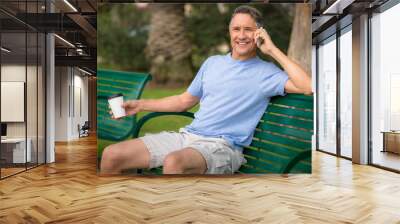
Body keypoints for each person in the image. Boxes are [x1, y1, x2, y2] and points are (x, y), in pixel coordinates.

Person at [100, 5, 312, 175]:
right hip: (188, 137)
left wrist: (272, 50)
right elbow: (184, 101)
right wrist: (140, 105)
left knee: (174, 162)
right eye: (236, 29)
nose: (241, 35)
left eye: (248, 29)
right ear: (229, 32)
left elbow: (308, 86)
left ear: (259, 34)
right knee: (112, 154)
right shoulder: (212, 63)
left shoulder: (267, 73)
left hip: (222, 147)